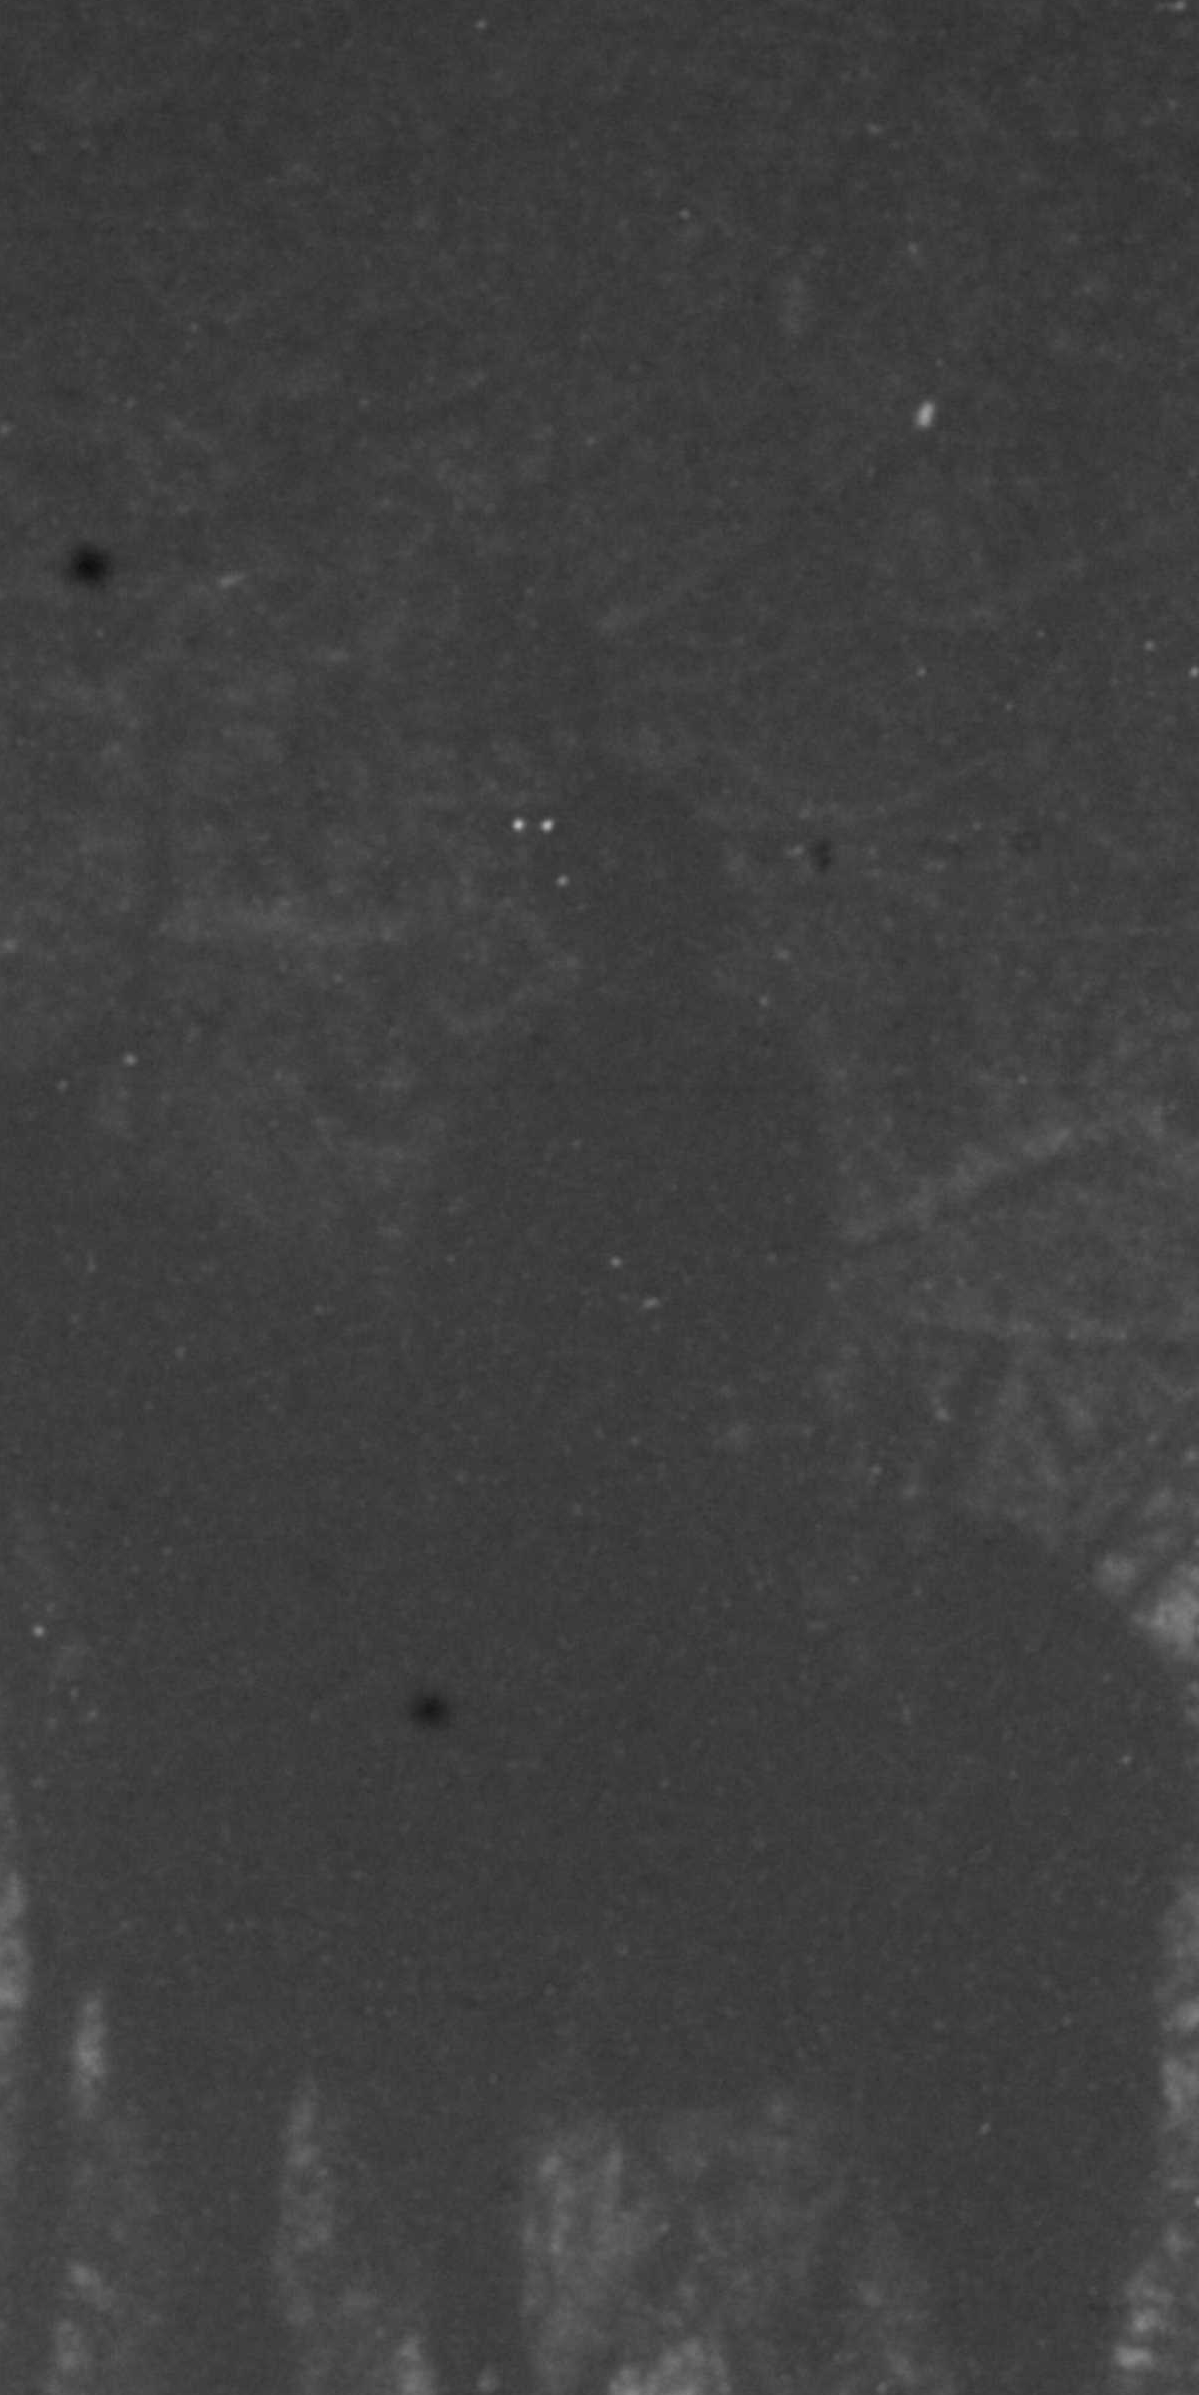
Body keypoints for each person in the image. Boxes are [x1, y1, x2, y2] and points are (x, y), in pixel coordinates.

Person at [403, 757, 839, 1794]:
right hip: (535, 1429)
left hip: (671, 1431)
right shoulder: (530, 1061)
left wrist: (661, 1375)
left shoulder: (737, 1064)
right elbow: (448, 1251)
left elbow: (777, 1264)